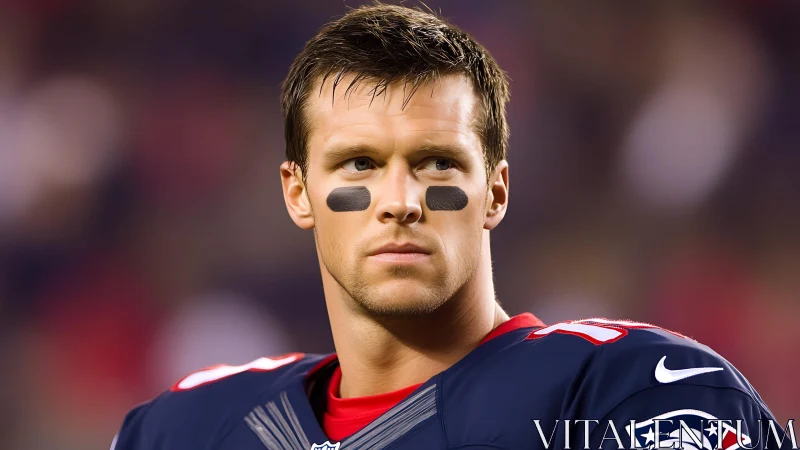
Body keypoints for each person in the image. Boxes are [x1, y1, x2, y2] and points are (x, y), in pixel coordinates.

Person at [113, 4, 791, 450]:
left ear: (496, 190)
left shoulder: (637, 390)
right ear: (299, 193)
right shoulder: (184, 428)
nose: (399, 199)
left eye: (437, 164)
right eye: (360, 165)